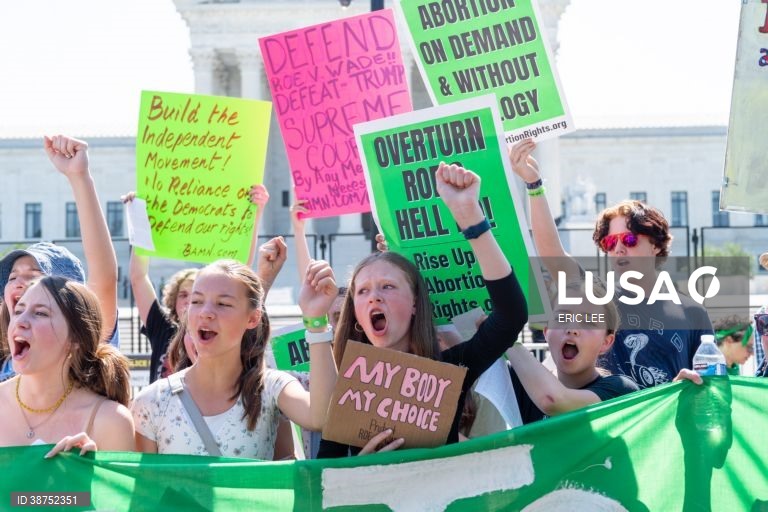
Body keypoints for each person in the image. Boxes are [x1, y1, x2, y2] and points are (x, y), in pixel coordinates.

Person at [317, 162, 528, 457]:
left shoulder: (450, 370)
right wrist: (359, 471)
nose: (374, 297)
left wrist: (471, 218)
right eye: (363, 291)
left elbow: (511, 316)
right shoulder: (345, 392)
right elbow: (323, 483)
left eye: (387, 287)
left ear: (415, 304)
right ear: (357, 317)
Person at [508, 139, 713, 389]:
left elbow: (709, 386)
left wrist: (690, 386)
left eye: (629, 238)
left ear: (657, 244)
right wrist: (534, 185)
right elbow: (551, 252)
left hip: (663, 426)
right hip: (608, 425)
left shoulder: (693, 313)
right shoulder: (598, 299)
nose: (619, 248)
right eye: (609, 242)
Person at [131, 259, 337, 459]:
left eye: (223, 303)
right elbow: (144, 491)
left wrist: (316, 322)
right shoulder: (151, 401)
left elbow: (320, 418)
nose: (206, 313)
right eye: (196, 301)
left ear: (253, 318)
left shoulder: (271, 387)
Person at [0, 136, 120, 382]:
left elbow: (105, 276)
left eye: (34, 277)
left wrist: (79, 177)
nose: (18, 283)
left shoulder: (84, 356)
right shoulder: (5, 364)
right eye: (12, 277)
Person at [124, 185, 272, 384]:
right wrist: (140, 220)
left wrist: (255, 213)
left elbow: (238, 273)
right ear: (173, 300)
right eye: (190, 297)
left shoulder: (220, 335)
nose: (201, 306)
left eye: (217, 301)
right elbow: (138, 277)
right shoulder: (164, 329)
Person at [0, 276, 134, 456]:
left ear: (75, 339)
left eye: (40, 313)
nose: (20, 321)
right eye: (18, 311)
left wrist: (90, 476)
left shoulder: (110, 422)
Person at [506, 282, 639, 424]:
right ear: (546, 331)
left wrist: (506, 338)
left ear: (606, 342)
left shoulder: (620, 390)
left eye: (588, 321)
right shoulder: (514, 377)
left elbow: (553, 400)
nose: (572, 328)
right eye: (562, 318)